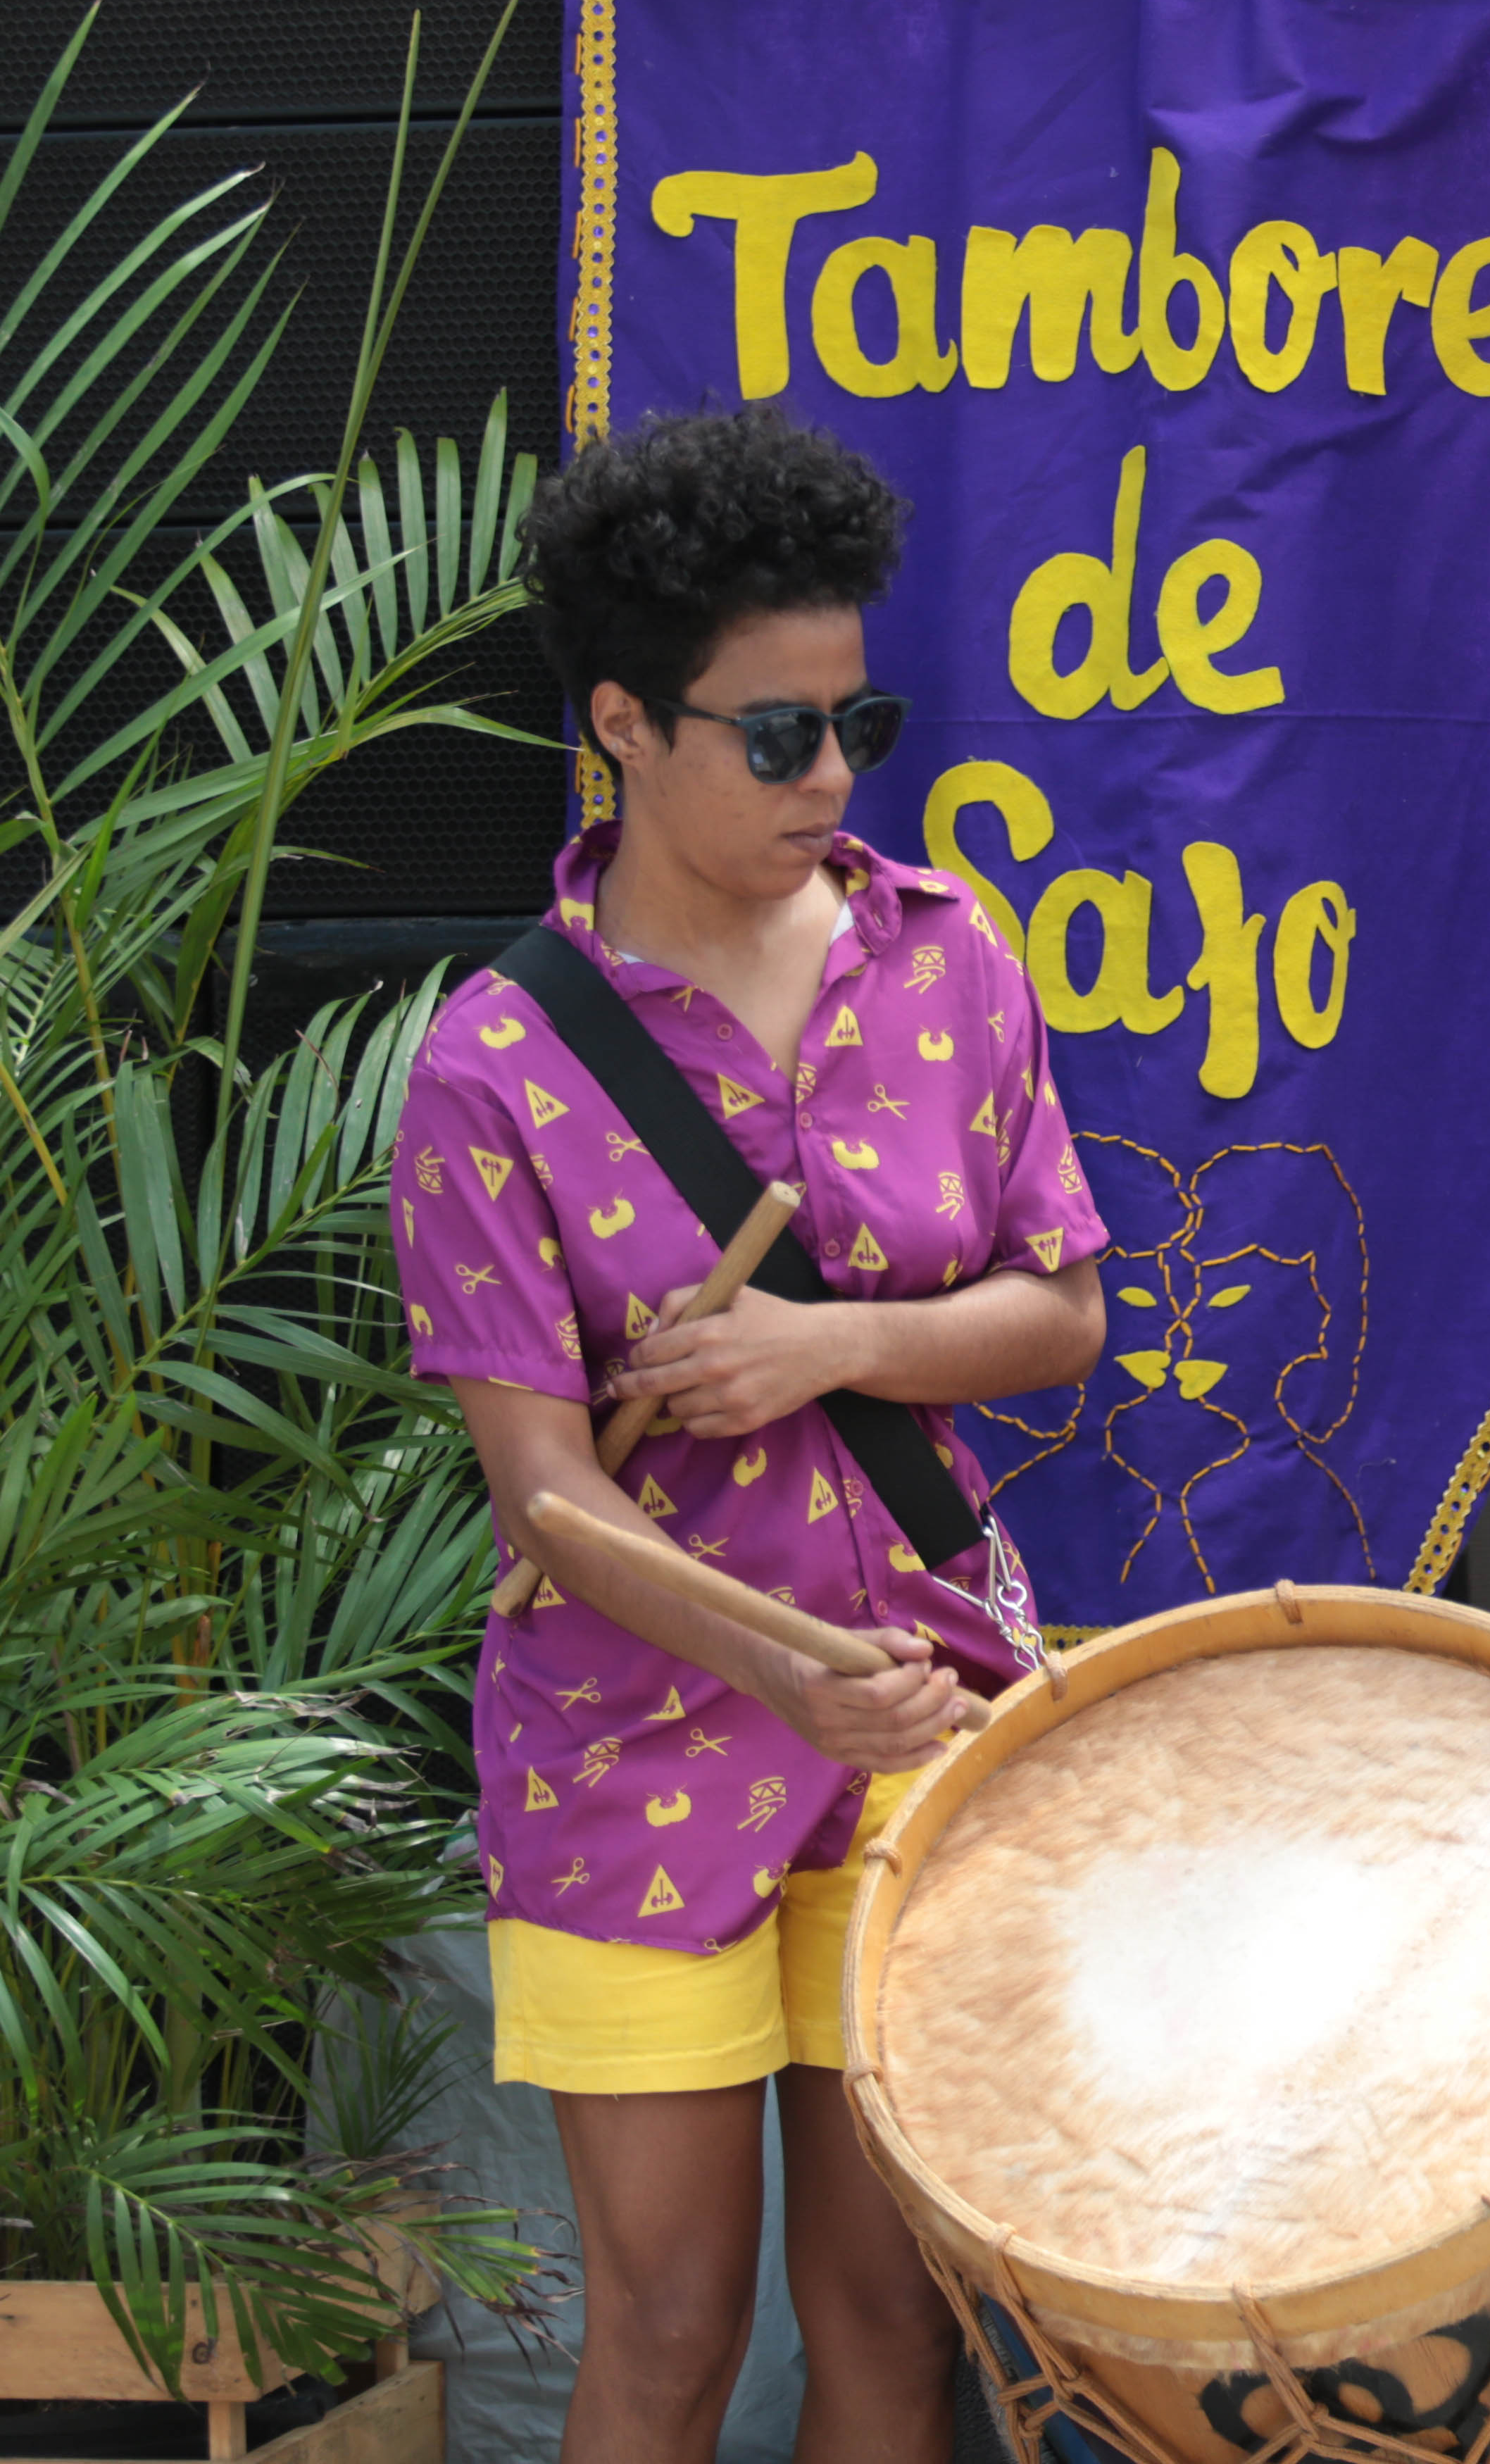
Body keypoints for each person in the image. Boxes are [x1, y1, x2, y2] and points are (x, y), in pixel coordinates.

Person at [394, 409, 1108, 2464]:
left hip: (924, 1705)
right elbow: (545, 1494)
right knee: (672, 2326)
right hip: (625, 1747)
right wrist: (785, 1664)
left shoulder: (948, 955)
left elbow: (1064, 1312)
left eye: (856, 722)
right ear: (624, 721)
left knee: (892, 2317)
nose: (831, 778)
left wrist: (827, 1344)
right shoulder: (494, 1062)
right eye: (777, 734)